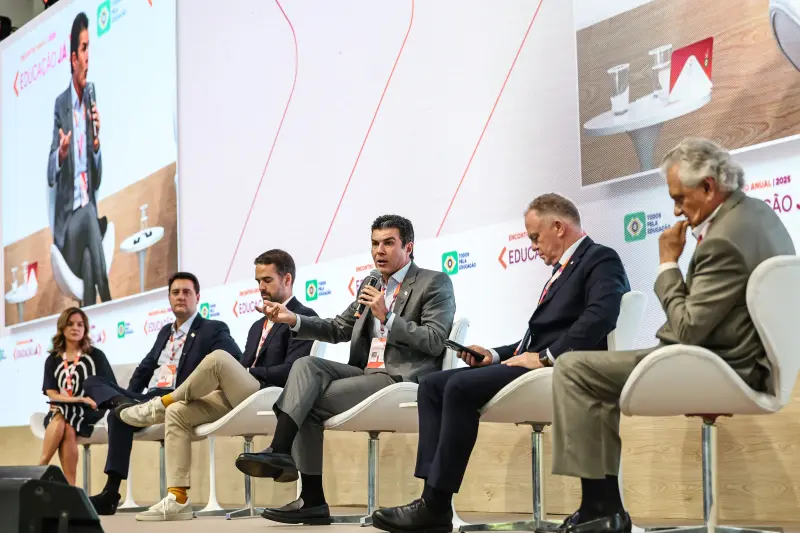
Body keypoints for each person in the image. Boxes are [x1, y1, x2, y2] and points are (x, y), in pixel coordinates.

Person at [539, 138, 796, 533]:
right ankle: (603, 510)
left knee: (574, 368)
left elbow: (688, 328)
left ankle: (601, 509)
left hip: (720, 364)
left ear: (708, 187)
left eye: (679, 198)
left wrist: (666, 263)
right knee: (588, 370)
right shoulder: (757, 214)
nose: (676, 210)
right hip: (738, 358)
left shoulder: (725, 238)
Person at [371, 194, 631, 533]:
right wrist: (493, 355)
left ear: (558, 227)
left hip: (567, 368)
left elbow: (600, 316)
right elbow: (533, 341)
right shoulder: (562, 271)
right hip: (539, 364)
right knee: (433, 385)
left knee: (459, 387)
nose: (533, 247)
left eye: (535, 237)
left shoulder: (599, 258)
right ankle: (432, 501)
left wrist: (544, 357)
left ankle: (435, 505)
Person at [235, 214, 456, 525]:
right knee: (306, 365)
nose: (379, 251)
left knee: (307, 402)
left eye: (388, 243)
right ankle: (281, 452)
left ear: (408, 247)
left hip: (400, 379)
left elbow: (435, 340)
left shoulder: (433, 282)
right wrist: (292, 319)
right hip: (367, 373)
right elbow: (339, 328)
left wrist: (388, 318)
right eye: (375, 244)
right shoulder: (372, 283)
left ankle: (310, 496)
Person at [115, 250, 319, 521]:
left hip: (272, 397)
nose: (261, 287)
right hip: (242, 396)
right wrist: (238, 375)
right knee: (178, 413)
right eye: (258, 281)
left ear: (288, 279)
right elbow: (244, 365)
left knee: (220, 359)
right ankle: (178, 499)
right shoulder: (257, 325)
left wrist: (248, 372)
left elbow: (295, 371)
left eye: (267, 280)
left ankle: (159, 405)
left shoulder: (303, 316)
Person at [82, 272, 242, 515]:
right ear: (169, 298)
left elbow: (232, 361)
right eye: (175, 292)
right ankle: (124, 406)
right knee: (93, 382)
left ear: (198, 297)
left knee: (117, 416)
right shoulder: (165, 331)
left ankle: (111, 490)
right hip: (149, 398)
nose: (180, 297)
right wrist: (130, 396)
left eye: (186, 292)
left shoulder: (212, 329)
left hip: (180, 397)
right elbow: (144, 370)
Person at [47, 12, 110, 305]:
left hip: (88, 231)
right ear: (73, 58)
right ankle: (107, 295)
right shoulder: (61, 105)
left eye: (89, 49)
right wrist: (60, 155)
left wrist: (96, 145)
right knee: (86, 213)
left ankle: (92, 313)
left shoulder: (90, 101)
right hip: (69, 231)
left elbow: (97, 179)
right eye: (84, 49)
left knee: (89, 259)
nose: (88, 57)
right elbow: (50, 174)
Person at [40, 307, 115, 485]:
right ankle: (70, 487)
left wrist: (90, 401)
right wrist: (77, 399)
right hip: (62, 408)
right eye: (70, 324)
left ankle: (40, 467)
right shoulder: (53, 359)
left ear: (85, 328)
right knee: (66, 422)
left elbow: (109, 386)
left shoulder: (96, 356)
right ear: (62, 327)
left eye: (80, 324)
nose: (76, 328)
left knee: (63, 416)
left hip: (88, 410)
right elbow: (51, 393)